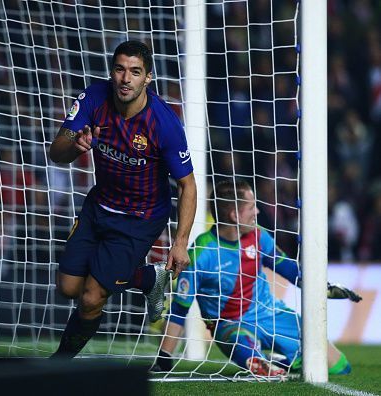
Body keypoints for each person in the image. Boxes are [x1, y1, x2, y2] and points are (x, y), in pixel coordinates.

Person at [48, 40, 197, 358]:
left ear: (148, 78)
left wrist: (180, 241)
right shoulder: (93, 98)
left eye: (135, 72)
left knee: (90, 297)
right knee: (68, 288)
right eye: (119, 69)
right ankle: (147, 277)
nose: (125, 78)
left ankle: (59, 364)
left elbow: (188, 186)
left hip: (139, 218)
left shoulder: (164, 124)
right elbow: (56, 152)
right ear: (111, 72)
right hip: (98, 207)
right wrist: (75, 146)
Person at [151, 179, 362, 376]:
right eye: (252, 207)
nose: (258, 211)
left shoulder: (260, 236)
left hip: (270, 313)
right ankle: (268, 361)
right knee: (256, 363)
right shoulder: (201, 253)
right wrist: (165, 357)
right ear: (235, 215)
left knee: (339, 368)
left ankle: (283, 360)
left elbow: (290, 270)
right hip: (231, 326)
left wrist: (324, 288)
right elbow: (179, 310)